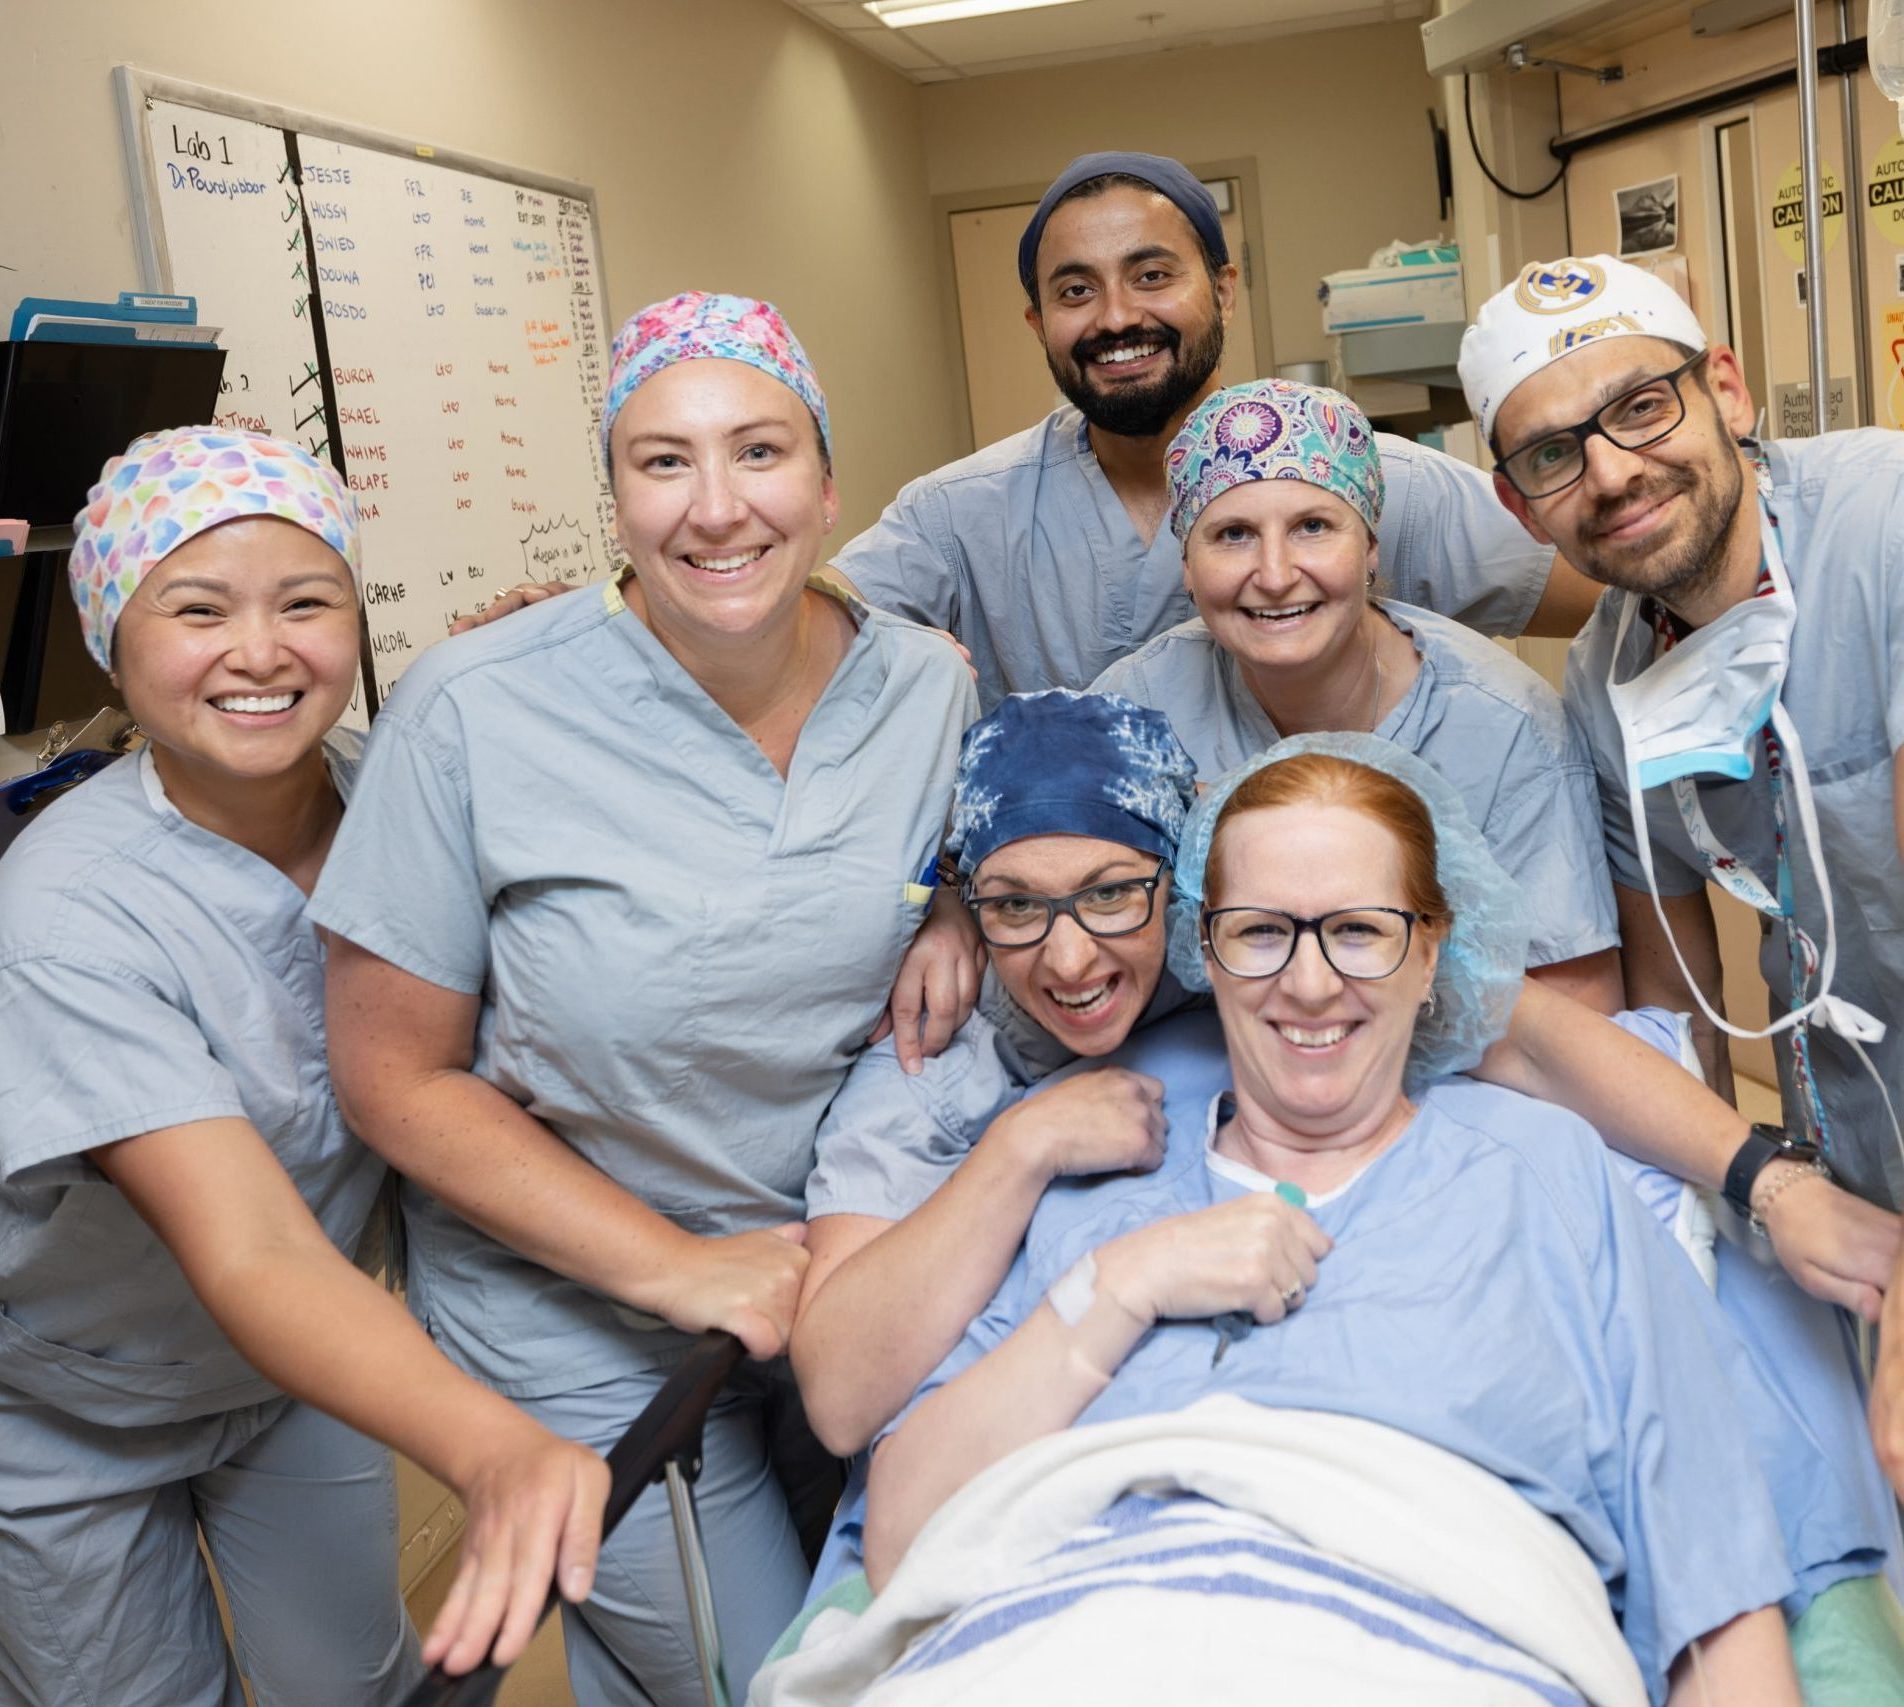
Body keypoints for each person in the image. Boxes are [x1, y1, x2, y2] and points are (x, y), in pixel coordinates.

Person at [789, 693, 1900, 1622]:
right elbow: (852, 1418)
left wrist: (1764, 1180)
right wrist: (1023, 1154)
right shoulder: (940, 1074)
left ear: (1174, 901)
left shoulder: (1296, 983)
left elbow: (1523, 1032)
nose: (1070, 952)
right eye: (1013, 908)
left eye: (1111, 894)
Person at [310, 293, 978, 1706]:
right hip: (572, 1306)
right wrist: (674, 1269)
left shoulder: (922, 686)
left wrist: (965, 904)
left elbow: (985, 845)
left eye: (760, 451)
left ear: (829, 479)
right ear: (611, 494)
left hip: (832, 1270)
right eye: (663, 460)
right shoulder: (477, 708)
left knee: (923, 1611)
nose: (717, 506)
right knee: (778, 1677)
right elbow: (392, 1076)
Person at [0, 428, 610, 1706]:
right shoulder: (61, 910)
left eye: (306, 601)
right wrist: (496, 1450)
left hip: (295, 1369)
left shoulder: (393, 792)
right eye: (199, 609)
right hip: (55, 1402)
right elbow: (249, 1247)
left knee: (360, 1685)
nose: (263, 651)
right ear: (112, 636)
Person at [829, 151, 1603, 707]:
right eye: (1075, 290)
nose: (1118, 316)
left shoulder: (1372, 481)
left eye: (1153, 275)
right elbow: (796, 629)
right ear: (1038, 322)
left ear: (1224, 290)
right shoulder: (958, 516)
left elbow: (1618, 590)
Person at [1458, 255, 1904, 1219]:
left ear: (1727, 392)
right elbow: (1674, 999)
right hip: (1850, 1150)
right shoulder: (1603, 678)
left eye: (1642, 406)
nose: (1612, 473)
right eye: (1550, 456)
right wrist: (1723, 1217)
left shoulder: (1886, 531)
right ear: (1518, 505)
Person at [1094, 376, 1622, 1008]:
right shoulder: (1134, 711)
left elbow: (1582, 1011)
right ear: (1187, 565)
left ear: (1371, 547)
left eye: (1313, 526)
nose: (1275, 574)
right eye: (1233, 534)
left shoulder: (1507, 731)